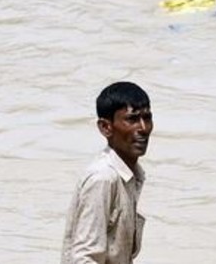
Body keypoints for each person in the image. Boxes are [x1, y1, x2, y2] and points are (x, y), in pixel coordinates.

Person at [61, 81, 153, 264]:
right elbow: (84, 258)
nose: (143, 128)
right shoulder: (103, 178)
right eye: (132, 119)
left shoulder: (130, 176)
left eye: (147, 118)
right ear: (105, 127)